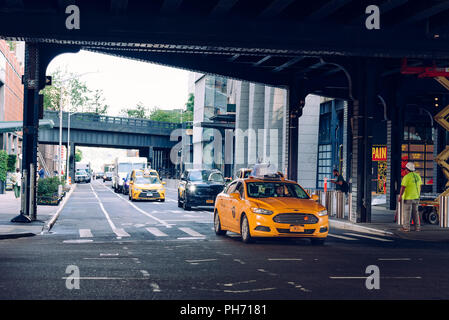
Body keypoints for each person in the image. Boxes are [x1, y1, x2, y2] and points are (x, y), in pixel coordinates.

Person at [398, 162, 422, 232]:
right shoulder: (418, 176)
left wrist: (400, 196)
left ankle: (406, 228)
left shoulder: (406, 177)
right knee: (415, 212)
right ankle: (417, 228)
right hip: (416, 197)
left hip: (408, 198)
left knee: (407, 212)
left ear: (406, 169)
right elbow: (420, 186)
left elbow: (403, 187)